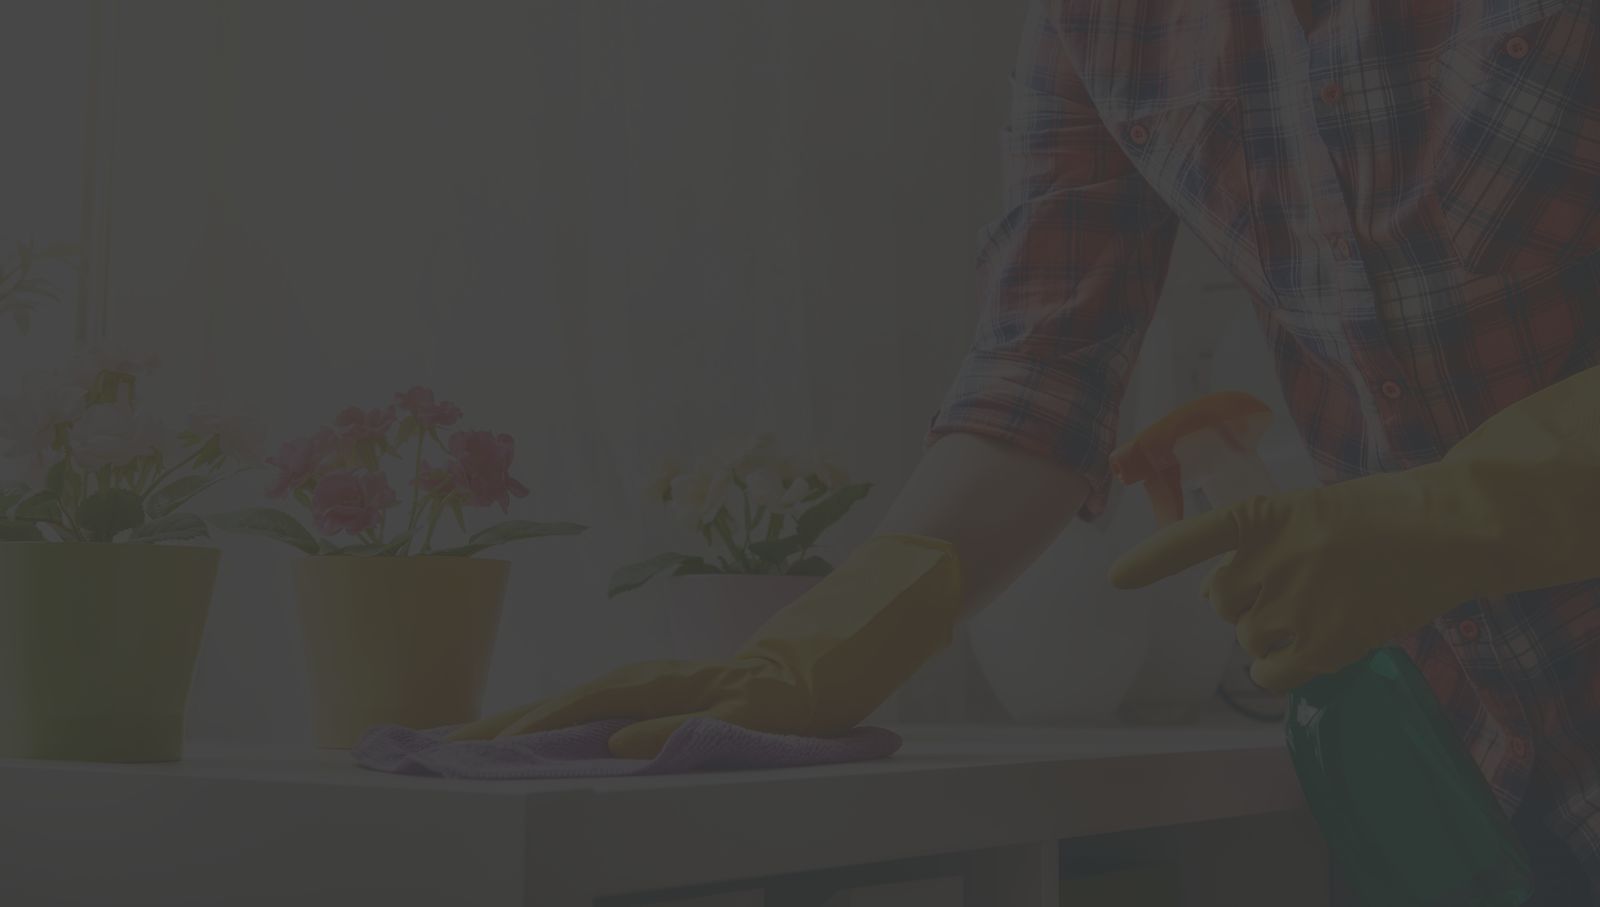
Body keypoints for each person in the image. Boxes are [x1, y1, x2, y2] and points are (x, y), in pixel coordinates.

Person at [456, 0, 1600, 898]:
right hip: (1480, 784)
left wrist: (1450, 518)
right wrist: (830, 638)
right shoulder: (1102, 16)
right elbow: (1041, 371)